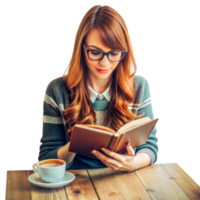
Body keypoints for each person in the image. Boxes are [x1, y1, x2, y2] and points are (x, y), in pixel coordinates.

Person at [38, 4, 160, 172]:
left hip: (126, 181)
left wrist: (134, 163)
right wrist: (74, 145)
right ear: (81, 49)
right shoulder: (56, 90)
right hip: (76, 185)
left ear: (123, 53)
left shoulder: (140, 86)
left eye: (114, 53)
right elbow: (45, 158)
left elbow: (152, 146)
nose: (105, 62)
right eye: (95, 52)